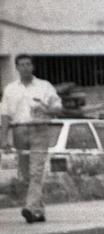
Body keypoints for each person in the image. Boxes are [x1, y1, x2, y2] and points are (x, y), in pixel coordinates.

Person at [1, 54, 62, 224]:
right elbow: (5, 114)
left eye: (28, 64)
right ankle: (38, 210)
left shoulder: (44, 86)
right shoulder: (10, 89)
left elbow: (58, 108)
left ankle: (29, 207)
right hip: (20, 131)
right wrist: (3, 138)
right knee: (25, 174)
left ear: (33, 66)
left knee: (36, 171)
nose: (26, 67)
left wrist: (46, 109)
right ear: (17, 67)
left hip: (40, 130)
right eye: (22, 64)